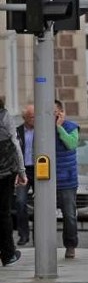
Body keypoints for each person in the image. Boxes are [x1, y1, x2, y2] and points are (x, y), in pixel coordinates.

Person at [0, 96, 27, 267]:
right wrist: (21, 171)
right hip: (4, 172)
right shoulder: (5, 117)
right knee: (3, 213)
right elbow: (15, 145)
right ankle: (8, 254)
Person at [54, 100, 80, 259]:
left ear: (61, 112)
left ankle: (70, 245)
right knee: (42, 215)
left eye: (56, 111)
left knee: (69, 215)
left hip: (67, 179)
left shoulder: (71, 126)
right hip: (47, 179)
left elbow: (71, 144)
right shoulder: (42, 127)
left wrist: (59, 128)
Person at [14, 104, 35, 246]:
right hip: (23, 170)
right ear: (25, 118)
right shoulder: (17, 131)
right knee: (20, 202)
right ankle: (24, 234)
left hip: (40, 169)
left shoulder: (43, 130)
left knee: (41, 204)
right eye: (32, 116)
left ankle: (39, 236)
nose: (34, 119)